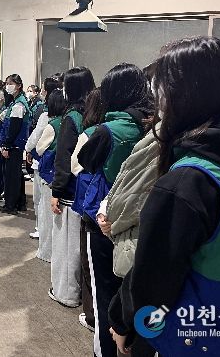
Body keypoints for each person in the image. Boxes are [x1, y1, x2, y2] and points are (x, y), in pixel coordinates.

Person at [108, 37, 220, 356]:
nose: (157, 98)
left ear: (187, 94)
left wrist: (124, 323)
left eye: (162, 87)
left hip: (186, 337)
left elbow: (153, 280)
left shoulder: (187, 181)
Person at [77, 64, 151, 357]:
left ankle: (105, 351)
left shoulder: (107, 131)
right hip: (141, 223)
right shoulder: (154, 128)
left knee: (104, 292)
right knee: (133, 291)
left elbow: (85, 161)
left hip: (104, 219)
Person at [49, 66, 95, 308]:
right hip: (89, 189)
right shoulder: (96, 113)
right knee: (82, 247)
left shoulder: (72, 117)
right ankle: (82, 295)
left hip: (70, 191)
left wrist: (56, 191)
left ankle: (66, 293)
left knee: (66, 245)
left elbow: (63, 157)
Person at [70, 87, 103, 333]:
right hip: (115, 207)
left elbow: (74, 166)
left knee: (90, 261)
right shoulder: (139, 130)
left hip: (91, 204)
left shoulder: (93, 133)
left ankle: (92, 315)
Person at [25, 74, 63, 239]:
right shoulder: (66, 115)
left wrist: (28, 150)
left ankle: (41, 229)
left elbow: (36, 138)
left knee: (40, 199)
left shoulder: (45, 115)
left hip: (43, 162)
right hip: (56, 164)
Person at [36, 88, 66, 262]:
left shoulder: (53, 124)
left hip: (50, 176)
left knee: (47, 218)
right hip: (65, 178)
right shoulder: (74, 120)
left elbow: (40, 148)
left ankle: (46, 253)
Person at [0, 74, 31, 214]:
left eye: (10, 83)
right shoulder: (15, 102)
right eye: (6, 83)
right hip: (16, 144)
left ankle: (10, 205)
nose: (7, 86)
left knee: (12, 176)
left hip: (15, 144)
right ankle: (20, 203)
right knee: (17, 175)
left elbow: (14, 127)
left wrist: (7, 145)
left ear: (18, 86)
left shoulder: (18, 105)